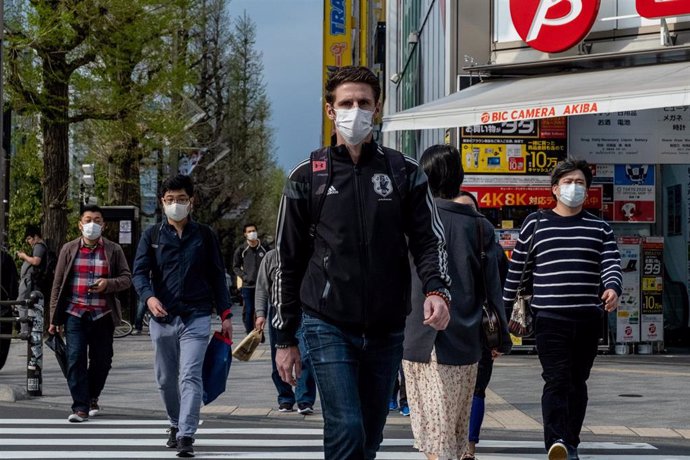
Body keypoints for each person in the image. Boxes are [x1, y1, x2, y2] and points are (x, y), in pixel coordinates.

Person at [273, 66, 452, 460]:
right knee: (346, 425)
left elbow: (429, 239)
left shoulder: (404, 172)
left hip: (388, 325)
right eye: (346, 103)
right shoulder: (307, 176)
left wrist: (437, 289)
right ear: (330, 110)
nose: (355, 111)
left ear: (378, 108)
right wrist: (285, 338)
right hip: (326, 321)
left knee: (370, 434)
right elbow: (286, 261)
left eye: (364, 103)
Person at [502, 159, 622, 460]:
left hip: (587, 318)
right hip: (550, 318)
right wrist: (503, 311)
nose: (574, 188)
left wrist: (612, 287)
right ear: (555, 189)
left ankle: (571, 442)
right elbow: (516, 271)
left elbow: (611, 264)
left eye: (580, 183)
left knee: (578, 382)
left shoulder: (600, 227)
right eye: (568, 182)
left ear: (588, 190)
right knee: (556, 380)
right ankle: (555, 441)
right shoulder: (536, 222)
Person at [402, 145, 511, 460]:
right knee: (452, 430)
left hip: (415, 334)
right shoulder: (479, 226)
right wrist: (499, 337)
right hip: (464, 337)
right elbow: (494, 287)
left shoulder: (410, 222)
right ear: (458, 177)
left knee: (430, 430)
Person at [132, 174, 233, 458]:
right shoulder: (151, 236)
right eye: (170, 200)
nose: (175, 204)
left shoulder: (205, 235)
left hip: (197, 316)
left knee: (190, 375)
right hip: (162, 317)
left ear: (192, 201)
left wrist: (225, 314)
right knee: (166, 378)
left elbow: (217, 276)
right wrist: (149, 298)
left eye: (181, 199)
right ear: (162, 202)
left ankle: (187, 434)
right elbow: (139, 273)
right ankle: (175, 423)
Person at [47, 205, 132, 423]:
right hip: (74, 312)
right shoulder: (69, 249)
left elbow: (126, 278)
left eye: (96, 220)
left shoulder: (113, 250)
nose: (91, 224)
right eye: (87, 219)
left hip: (102, 314)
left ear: (103, 224)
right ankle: (80, 406)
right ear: (80, 224)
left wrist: (108, 284)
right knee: (75, 359)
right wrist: (53, 319)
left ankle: (92, 395)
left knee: (102, 361)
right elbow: (57, 285)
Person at [456, 191, 510, 460]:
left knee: (476, 389)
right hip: (449, 330)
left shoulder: (493, 250)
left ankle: (470, 447)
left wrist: (498, 337)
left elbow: (501, 294)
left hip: (480, 330)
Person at [255, 248, 317, 414]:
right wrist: (260, 314)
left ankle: (304, 399)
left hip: (304, 310)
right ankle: (285, 397)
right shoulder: (270, 257)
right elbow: (261, 287)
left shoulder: (309, 253)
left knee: (305, 356)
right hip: (277, 310)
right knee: (279, 356)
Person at [233, 224, 269, 334]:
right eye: (249, 231)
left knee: (262, 312)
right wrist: (244, 277)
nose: (252, 233)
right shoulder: (242, 249)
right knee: (249, 311)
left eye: (253, 230)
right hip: (248, 286)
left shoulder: (265, 247)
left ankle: (259, 332)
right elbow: (235, 266)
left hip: (263, 286)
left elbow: (272, 261)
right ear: (245, 234)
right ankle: (250, 334)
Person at [16, 225, 47, 337]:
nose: (28, 241)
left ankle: (25, 331)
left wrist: (24, 256)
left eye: (29, 238)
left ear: (35, 236)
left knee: (22, 303)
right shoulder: (40, 246)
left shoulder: (39, 246)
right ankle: (28, 330)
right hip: (29, 280)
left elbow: (36, 261)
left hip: (29, 281)